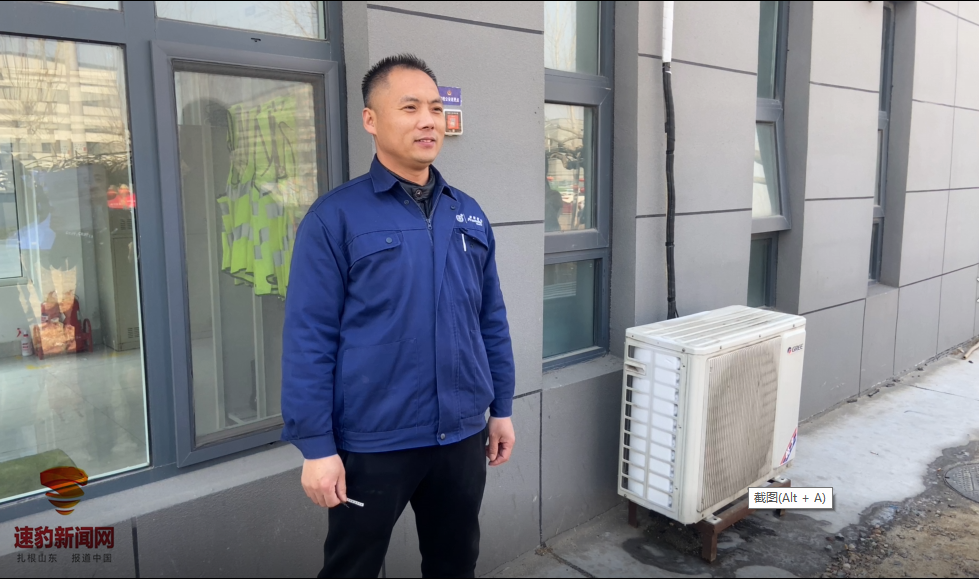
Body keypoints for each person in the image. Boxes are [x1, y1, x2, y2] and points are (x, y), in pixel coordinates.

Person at [280, 53, 516, 579]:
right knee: (352, 569)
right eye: (409, 108)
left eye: (435, 108)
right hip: (373, 443)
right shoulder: (335, 218)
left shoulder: (467, 212)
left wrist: (500, 407)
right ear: (371, 119)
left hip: (460, 436)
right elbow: (309, 337)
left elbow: (490, 319)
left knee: (456, 563)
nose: (428, 121)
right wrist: (316, 447)